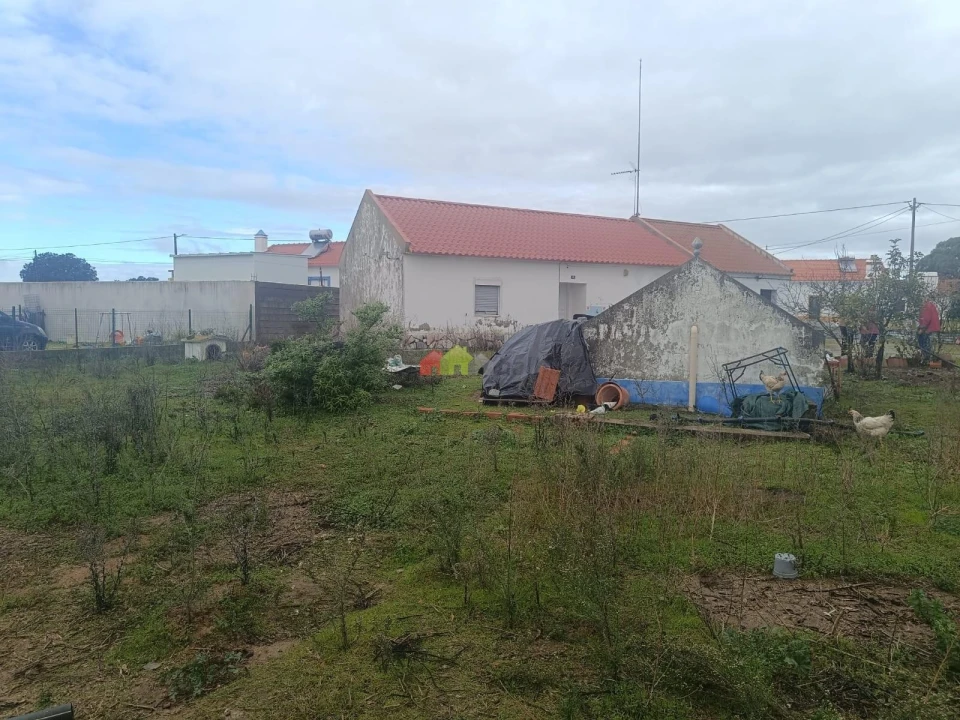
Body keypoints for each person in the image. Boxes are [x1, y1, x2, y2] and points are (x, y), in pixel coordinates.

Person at [918, 298, 941, 363]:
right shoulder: (930, 305)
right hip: (933, 328)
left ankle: (927, 360)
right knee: (932, 345)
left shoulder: (926, 307)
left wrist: (922, 329)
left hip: (929, 329)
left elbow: (926, 319)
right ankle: (931, 361)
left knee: (926, 345)